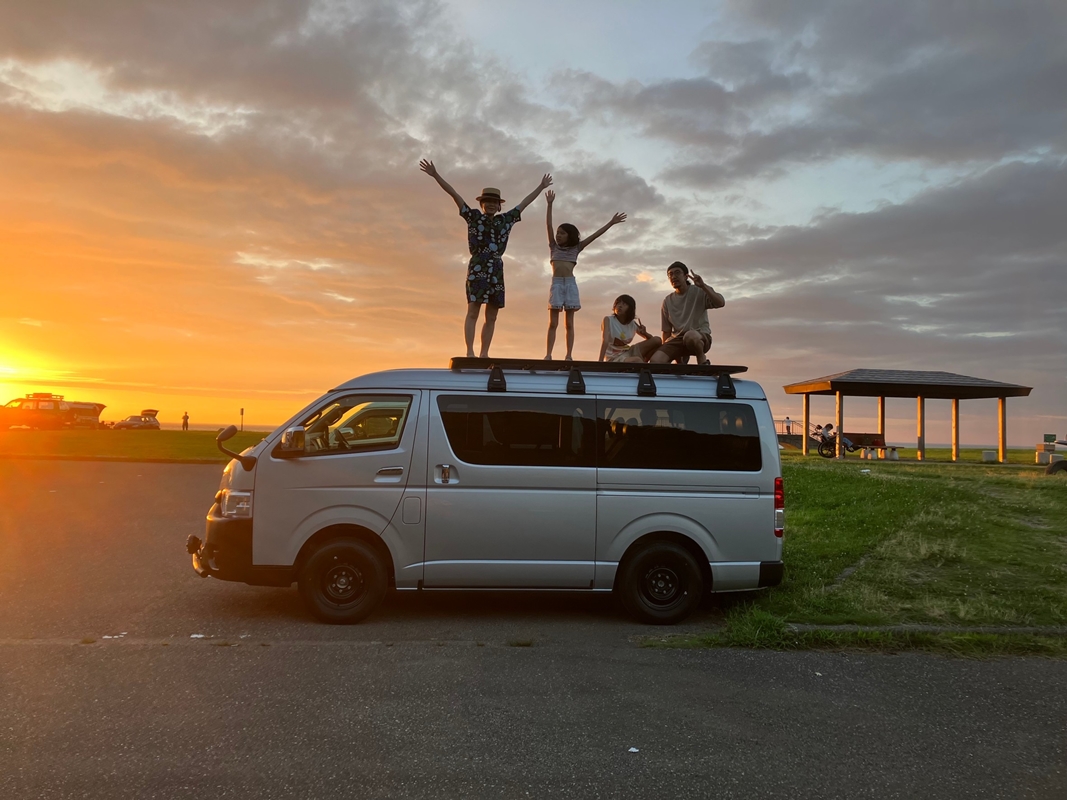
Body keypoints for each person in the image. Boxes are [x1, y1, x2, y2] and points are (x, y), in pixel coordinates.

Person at [420, 159, 552, 357]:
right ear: (481, 204)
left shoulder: (506, 220)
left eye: (494, 202)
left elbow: (524, 203)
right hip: (478, 266)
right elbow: (455, 195)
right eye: (487, 201)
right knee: (473, 310)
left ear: (499, 206)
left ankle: (484, 353)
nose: (491, 205)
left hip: (497, 268)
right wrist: (436, 175)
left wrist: (540, 187)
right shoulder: (473, 217)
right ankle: (470, 352)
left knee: (492, 315)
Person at [543, 190, 626, 360]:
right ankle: (549, 354)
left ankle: (568, 355)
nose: (558, 235)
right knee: (553, 323)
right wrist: (550, 204)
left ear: (570, 236)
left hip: (570, 284)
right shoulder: (553, 247)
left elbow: (595, 235)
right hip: (557, 284)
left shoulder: (576, 248)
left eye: (562, 233)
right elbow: (548, 226)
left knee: (569, 323)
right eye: (558, 233)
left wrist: (611, 223)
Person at [650, 262, 726, 364]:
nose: (673, 276)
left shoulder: (699, 291)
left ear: (686, 276)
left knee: (690, 336)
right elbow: (666, 331)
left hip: (699, 336)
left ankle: (702, 360)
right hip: (677, 340)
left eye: (677, 273)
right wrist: (667, 351)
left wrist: (703, 286)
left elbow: (720, 303)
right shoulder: (667, 301)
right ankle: (681, 362)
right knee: (656, 361)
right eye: (670, 274)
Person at [598, 294, 661, 363]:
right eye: (618, 303)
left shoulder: (632, 323)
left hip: (628, 352)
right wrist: (600, 362)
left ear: (630, 308)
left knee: (657, 340)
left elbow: (651, 341)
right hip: (614, 358)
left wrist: (645, 333)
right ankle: (643, 366)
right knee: (637, 360)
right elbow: (605, 341)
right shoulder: (608, 320)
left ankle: (645, 363)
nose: (620, 306)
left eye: (624, 304)